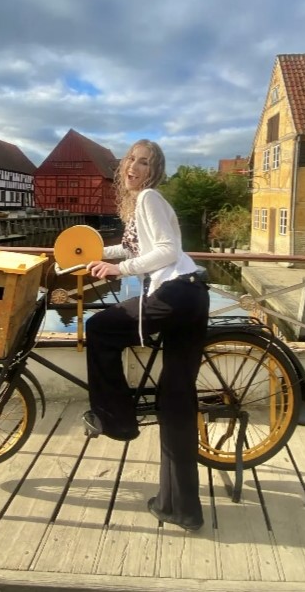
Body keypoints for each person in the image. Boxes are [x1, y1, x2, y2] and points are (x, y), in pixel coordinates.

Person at [84, 139, 210, 532]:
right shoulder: (142, 202)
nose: (133, 168)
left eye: (144, 163)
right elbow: (131, 247)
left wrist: (119, 272)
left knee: (99, 327)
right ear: (123, 166)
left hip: (175, 294)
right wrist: (91, 255)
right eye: (130, 160)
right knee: (176, 404)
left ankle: (117, 419)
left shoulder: (149, 198)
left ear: (154, 170)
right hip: (191, 295)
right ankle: (180, 508)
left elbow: (168, 252)